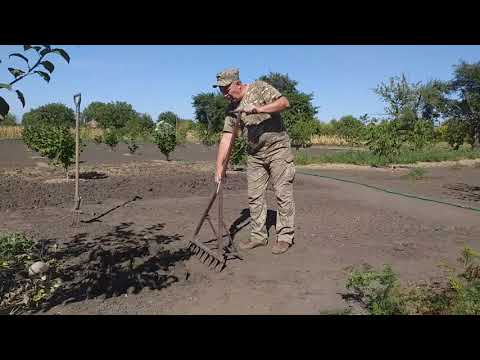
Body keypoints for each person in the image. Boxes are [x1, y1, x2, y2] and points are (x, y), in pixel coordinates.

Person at [213, 68, 295, 255]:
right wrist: (219, 168)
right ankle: (258, 236)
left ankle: (284, 237)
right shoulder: (232, 108)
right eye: (220, 90)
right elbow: (226, 138)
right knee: (254, 196)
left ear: (237, 84)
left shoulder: (259, 88)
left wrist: (259, 109)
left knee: (283, 194)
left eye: (226, 89)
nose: (224, 94)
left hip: (278, 150)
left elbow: (284, 102)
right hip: (255, 155)